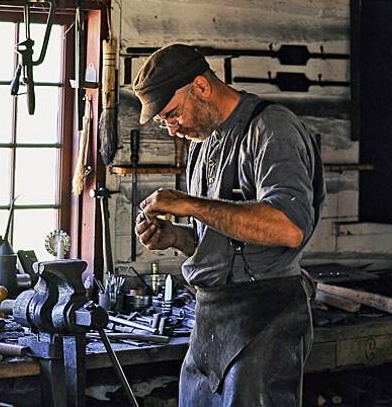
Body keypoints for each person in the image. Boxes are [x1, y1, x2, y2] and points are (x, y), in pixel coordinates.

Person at [132, 44, 326, 406]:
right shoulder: (203, 145)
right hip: (212, 321)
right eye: (164, 122)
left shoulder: (270, 128)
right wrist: (176, 237)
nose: (172, 129)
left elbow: (288, 227)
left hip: (264, 318)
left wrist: (188, 204)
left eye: (173, 114)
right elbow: (227, 243)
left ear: (201, 88)